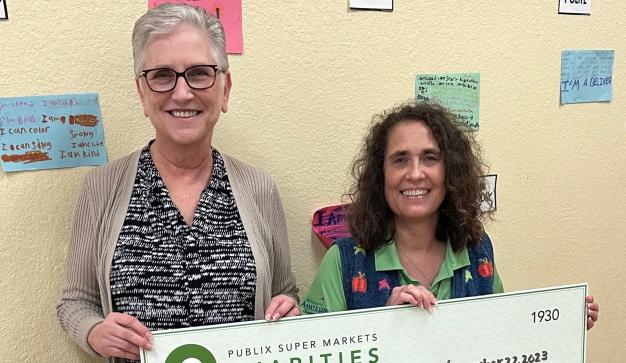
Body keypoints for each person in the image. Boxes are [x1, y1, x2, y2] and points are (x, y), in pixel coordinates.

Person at [56, 4, 299, 362]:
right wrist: (94, 332)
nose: (182, 93)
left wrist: (288, 309)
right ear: (142, 91)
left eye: (200, 73)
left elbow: (284, 291)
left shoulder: (260, 188)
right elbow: (74, 302)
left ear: (225, 88)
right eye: (162, 75)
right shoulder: (102, 187)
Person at [300, 101, 599, 330]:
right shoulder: (343, 263)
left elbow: (503, 337)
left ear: (450, 172)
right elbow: (314, 352)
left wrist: (561, 326)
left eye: (430, 158)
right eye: (400, 159)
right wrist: (385, 329)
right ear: (381, 175)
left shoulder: (478, 251)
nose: (415, 174)